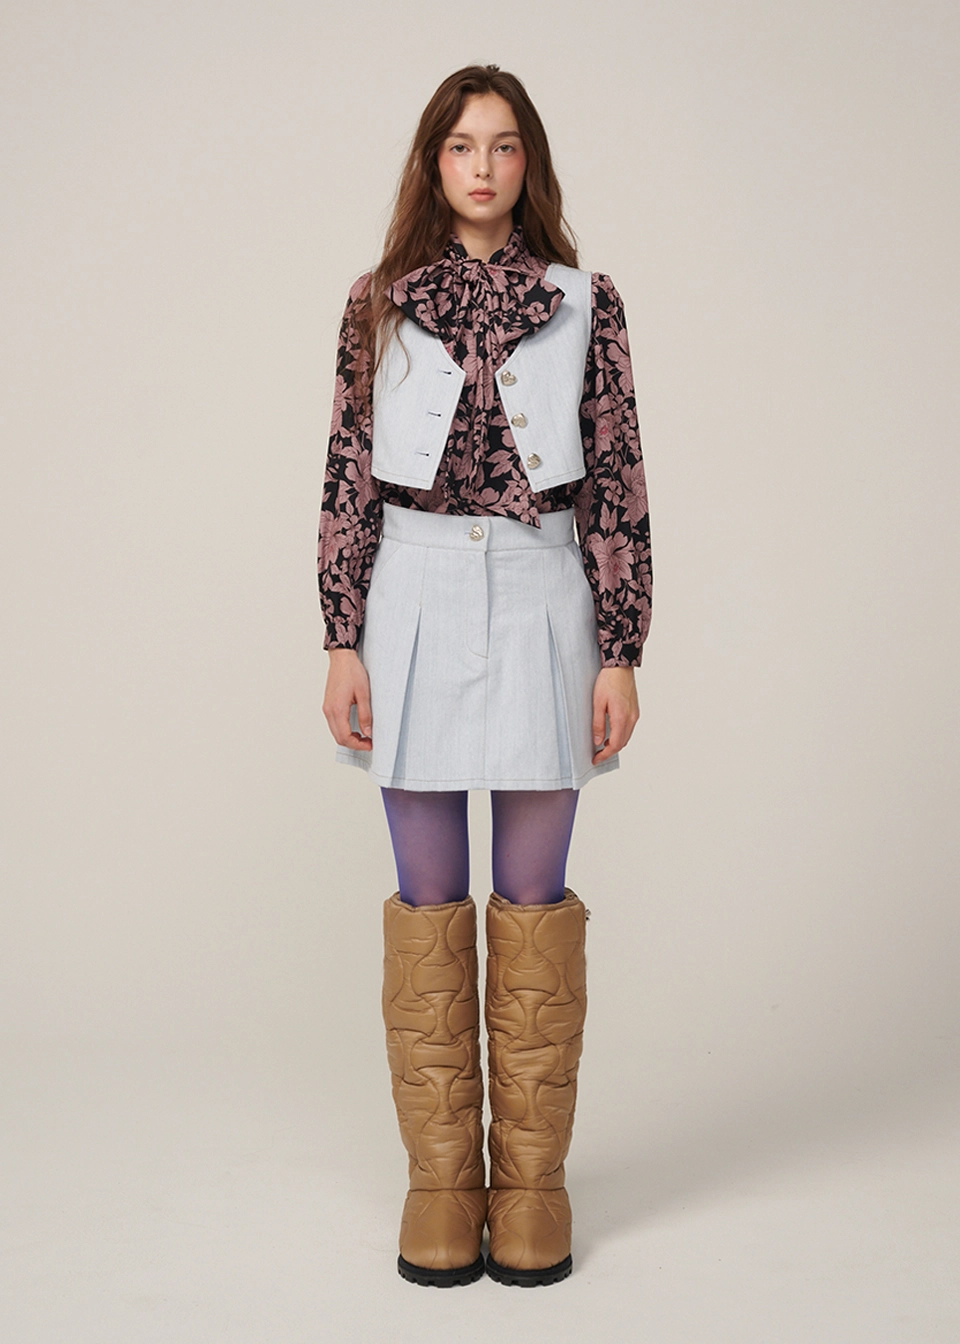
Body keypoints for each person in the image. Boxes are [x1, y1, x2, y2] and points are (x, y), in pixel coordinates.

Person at [317, 64, 652, 1288]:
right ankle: (443, 1182)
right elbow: (346, 469)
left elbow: (617, 473)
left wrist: (622, 648)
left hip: (545, 591)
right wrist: (340, 636)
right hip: (409, 594)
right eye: (463, 144)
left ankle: (533, 1186)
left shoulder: (584, 302)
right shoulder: (376, 303)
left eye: (505, 146)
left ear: (529, 165)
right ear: (434, 162)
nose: (484, 166)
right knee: (427, 899)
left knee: (532, 897)